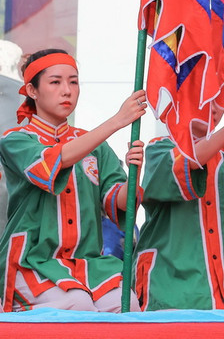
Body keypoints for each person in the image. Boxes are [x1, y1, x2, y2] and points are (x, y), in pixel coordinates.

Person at [0, 48, 145, 312]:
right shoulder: (16, 139)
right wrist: (117, 121)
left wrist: (134, 177)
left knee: (128, 307)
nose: (67, 90)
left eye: (74, 81)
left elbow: (116, 202)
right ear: (32, 91)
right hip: (31, 260)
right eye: (55, 82)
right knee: (76, 306)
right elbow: (53, 163)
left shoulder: (96, 146)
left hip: (87, 264)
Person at [135, 96, 224, 310]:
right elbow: (188, 161)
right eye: (207, 98)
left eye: (220, 100)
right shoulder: (159, 148)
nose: (215, 108)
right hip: (170, 282)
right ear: (182, 99)